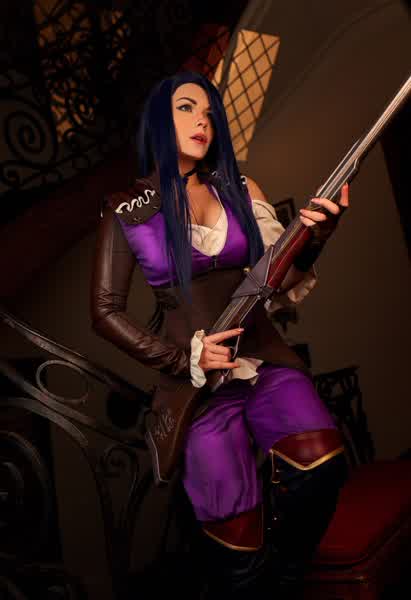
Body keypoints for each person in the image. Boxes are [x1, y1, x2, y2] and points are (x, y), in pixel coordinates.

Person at [91, 71, 349, 598]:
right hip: (197, 389)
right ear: (157, 120)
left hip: (264, 359)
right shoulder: (128, 210)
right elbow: (104, 311)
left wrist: (318, 237)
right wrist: (180, 358)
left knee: (322, 462)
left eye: (210, 113)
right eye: (187, 108)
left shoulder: (239, 189)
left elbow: (280, 281)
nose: (203, 122)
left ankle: (288, 576)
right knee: (233, 532)